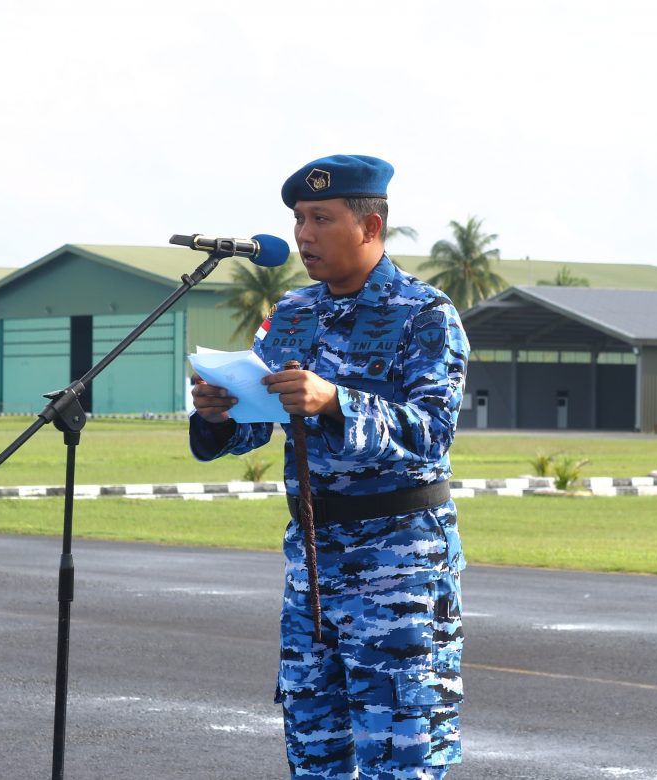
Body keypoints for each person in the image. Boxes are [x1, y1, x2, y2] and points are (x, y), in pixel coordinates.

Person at [188, 154, 470, 779]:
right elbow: (258, 421)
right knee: (315, 753)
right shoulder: (293, 313)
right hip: (314, 565)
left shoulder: (424, 315)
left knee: (403, 755)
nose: (304, 235)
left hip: (400, 565)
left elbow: (431, 432)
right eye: (297, 219)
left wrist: (335, 401)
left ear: (370, 227)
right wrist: (220, 414)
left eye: (321, 218)